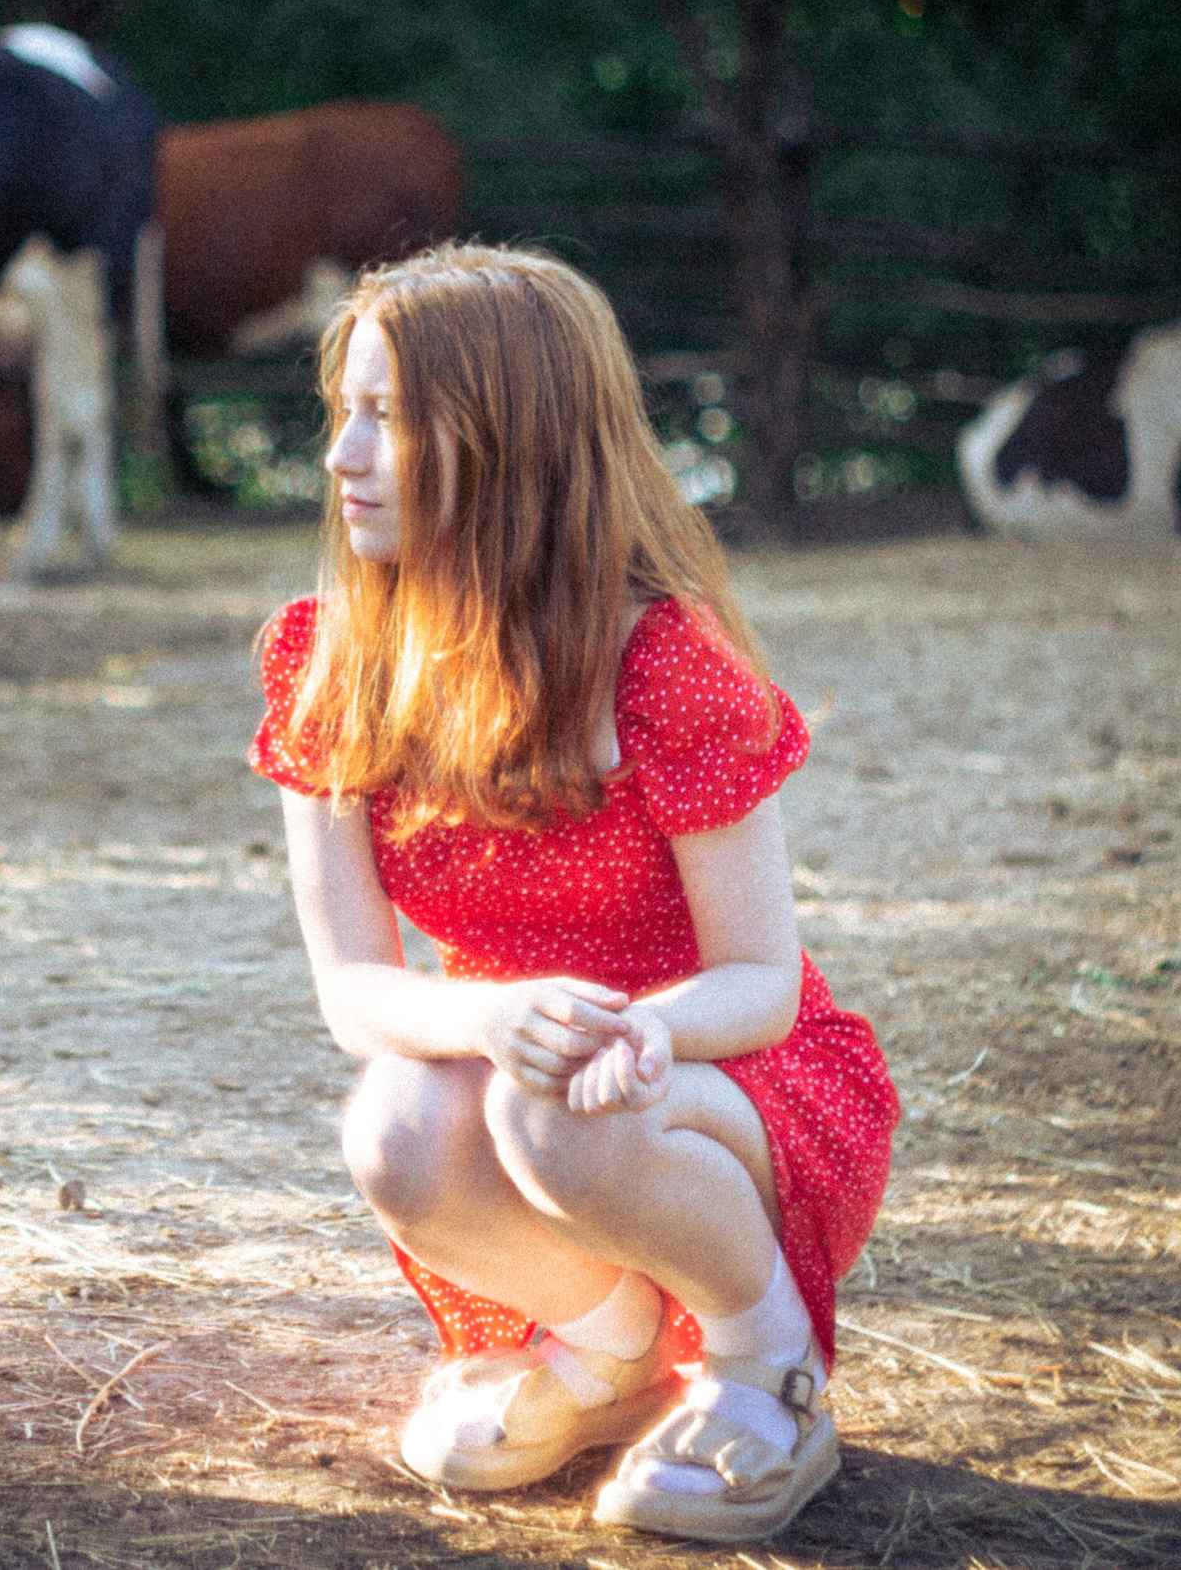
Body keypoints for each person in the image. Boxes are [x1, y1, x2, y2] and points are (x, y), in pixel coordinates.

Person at [252, 245, 896, 1544]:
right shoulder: (330, 664)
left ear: (507, 439)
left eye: (388, 418)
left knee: (564, 1110)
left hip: (731, 1077)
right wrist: (491, 1019)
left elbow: (762, 985)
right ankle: (603, 1354)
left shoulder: (663, 667)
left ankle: (765, 1364)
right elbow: (354, 992)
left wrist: (646, 1032)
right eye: (345, 416)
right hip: (525, 1059)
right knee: (393, 1127)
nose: (343, 458)